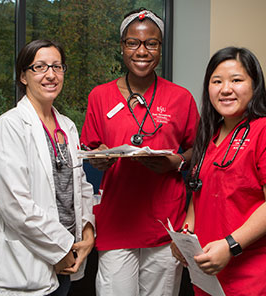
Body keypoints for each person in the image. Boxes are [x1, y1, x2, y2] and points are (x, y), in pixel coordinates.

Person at [80, 8, 199, 296]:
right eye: (133, 43)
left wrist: (178, 161)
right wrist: (101, 157)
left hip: (165, 218)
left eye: (151, 43)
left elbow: (199, 148)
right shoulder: (99, 96)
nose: (141, 51)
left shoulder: (181, 97)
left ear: (160, 48)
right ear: (122, 47)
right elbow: (90, 147)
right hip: (117, 219)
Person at [171, 46, 266, 296]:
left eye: (236, 80)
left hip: (257, 273)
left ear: (255, 85)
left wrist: (230, 246)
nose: (225, 89)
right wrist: (185, 237)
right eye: (217, 81)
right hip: (210, 269)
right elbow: (198, 194)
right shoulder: (210, 134)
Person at [0, 39, 95, 296]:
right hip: (32, 263)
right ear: (23, 76)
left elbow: (81, 185)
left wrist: (88, 232)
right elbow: (15, 205)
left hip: (70, 257)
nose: (51, 75)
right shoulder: (9, 126)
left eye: (57, 66)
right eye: (40, 67)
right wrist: (60, 248)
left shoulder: (67, 126)